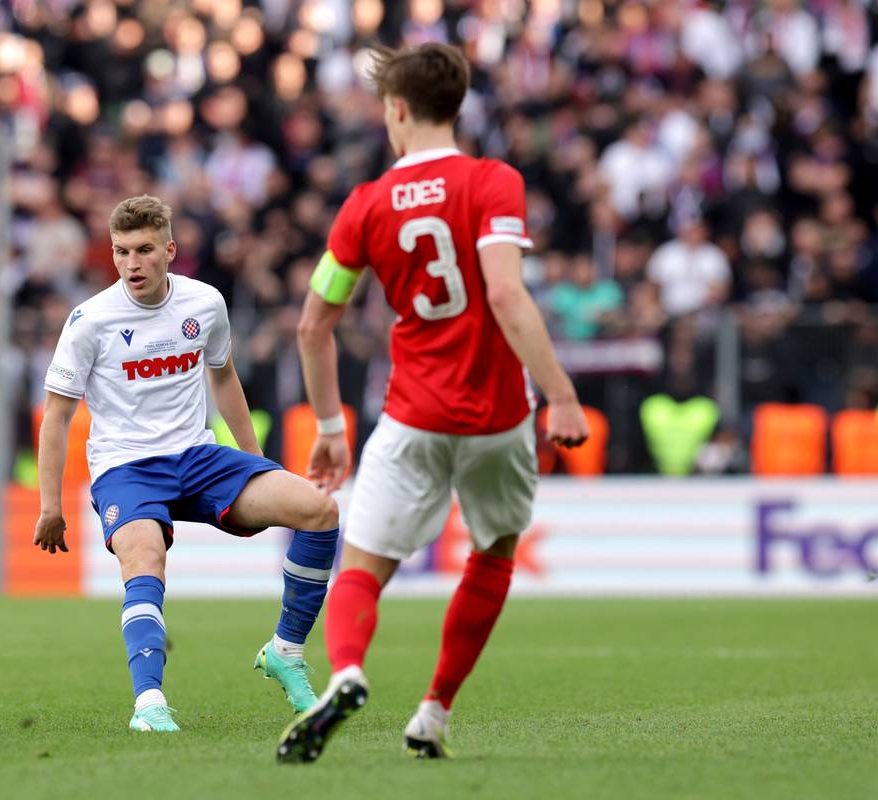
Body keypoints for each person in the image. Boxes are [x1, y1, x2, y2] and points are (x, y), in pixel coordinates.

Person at [277, 43, 589, 763]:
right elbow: (507, 293)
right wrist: (561, 395)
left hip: (413, 414)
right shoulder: (493, 181)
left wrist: (330, 427)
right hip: (498, 419)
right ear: (458, 107)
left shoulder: (364, 204)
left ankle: (348, 670)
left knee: (363, 564)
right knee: (495, 550)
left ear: (396, 111)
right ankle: (434, 710)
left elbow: (311, 324)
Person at [34, 195, 340, 733]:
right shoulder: (91, 321)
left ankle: (285, 651)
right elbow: (57, 416)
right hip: (126, 467)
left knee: (318, 510)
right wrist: (50, 505)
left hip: (198, 457)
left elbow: (223, 379)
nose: (132, 263)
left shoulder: (205, 304)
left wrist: (255, 463)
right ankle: (149, 704)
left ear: (169, 250)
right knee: (145, 559)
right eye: (121, 251)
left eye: (145, 249)